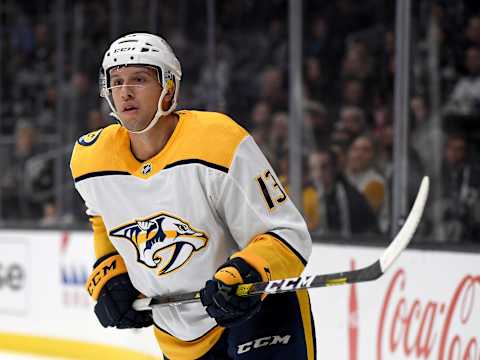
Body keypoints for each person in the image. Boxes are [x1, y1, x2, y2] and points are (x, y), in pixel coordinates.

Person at [70, 33, 316, 360]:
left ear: (169, 87)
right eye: (116, 81)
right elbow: (102, 217)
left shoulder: (218, 141)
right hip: (177, 330)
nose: (125, 91)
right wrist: (110, 272)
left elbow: (289, 235)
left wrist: (246, 272)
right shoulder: (91, 159)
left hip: (259, 310)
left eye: (139, 79)